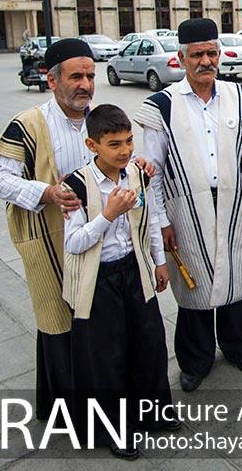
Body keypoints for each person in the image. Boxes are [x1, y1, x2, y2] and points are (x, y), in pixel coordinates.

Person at [134, 18, 242, 392]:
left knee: (236, 275)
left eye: (211, 53)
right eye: (197, 55)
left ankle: (240, 348)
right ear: (181, 58)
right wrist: (160, 221)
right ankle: (196, 359)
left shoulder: (241, 98)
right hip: (184, 209)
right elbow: (152, 171)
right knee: (193, 283)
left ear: (219, 54)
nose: (205, 61)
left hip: (234, 204)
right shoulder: (161, 105)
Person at [62, 104, 177, 459]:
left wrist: (159, 263)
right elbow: (74, 242)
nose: (125, 150)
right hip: (99, 280)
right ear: (92, 145)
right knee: (107, 355)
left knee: (149, 344)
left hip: (135, 269)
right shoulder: (75, 185)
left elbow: (151, 219)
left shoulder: (138, 174)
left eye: (128, 141)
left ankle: (153, 413)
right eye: (114, 144)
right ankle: (114, 428)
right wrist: (107, 215)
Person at [0, 37, 96, 420]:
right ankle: (65, 410)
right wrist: (47, 192)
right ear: (52, 81)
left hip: (95, 240)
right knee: (57, 320)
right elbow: (1, 181)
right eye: (76, 77)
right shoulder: (28, 124)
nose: (85, 85)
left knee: (93, 322)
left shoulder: (100, 120)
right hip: (50, 241)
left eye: (90, 76)